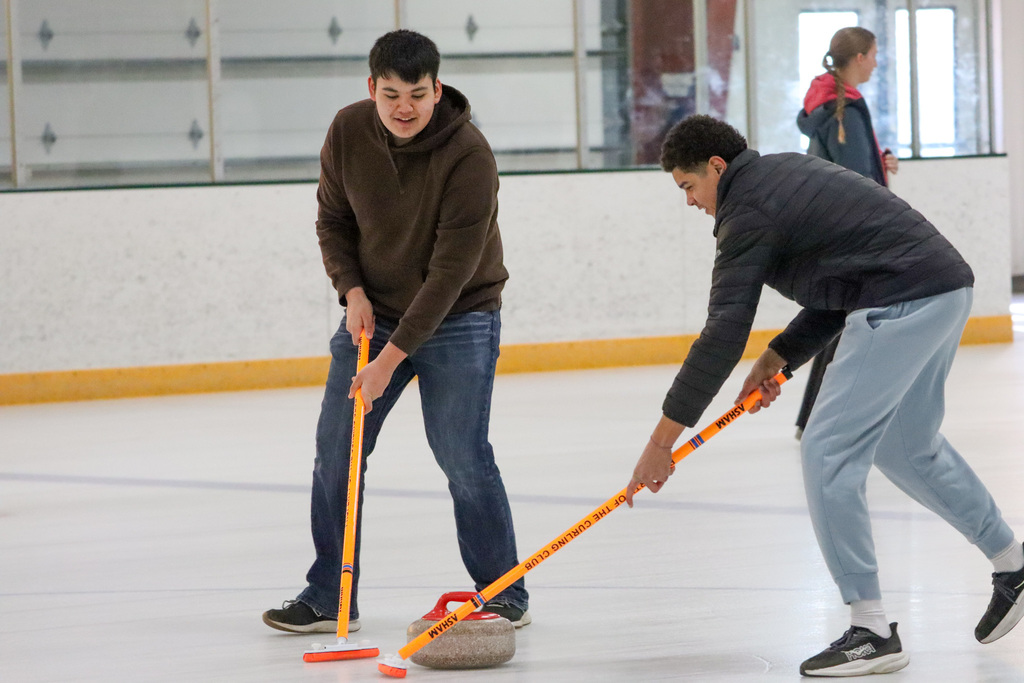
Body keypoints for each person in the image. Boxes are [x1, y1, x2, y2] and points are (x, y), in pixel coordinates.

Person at [625, 114, 1024, 677]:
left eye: (688, 186)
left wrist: (661, 441)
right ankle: (1013, 563)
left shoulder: (748, 209)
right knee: (905, 445)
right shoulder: (780, 177)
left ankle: (871, 630)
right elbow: (844, 282)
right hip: (941, 289)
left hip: (903, 301)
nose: (689, 202)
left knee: (826, 449)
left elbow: (722, 332)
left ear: (716, 168)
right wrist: (778, 356)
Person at [262, 29, 530, 635]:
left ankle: (503, 592)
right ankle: (329, 591)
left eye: (416, 92)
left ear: (437, 89)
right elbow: (332, 220)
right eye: (390, 94)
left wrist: (388, 359)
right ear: (371, 90)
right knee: (338, 450)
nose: (403, 107)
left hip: (459, 316)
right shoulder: (347, 131)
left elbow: (450, 273)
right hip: (373, 314)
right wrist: (351, 292)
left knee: (461, 455)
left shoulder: (469, 155)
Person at [793, 26, 900, 439]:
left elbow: (845, 162)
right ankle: (826, 418)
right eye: (874, 54)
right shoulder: (846, 109)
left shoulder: (828, 102)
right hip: (850, 235)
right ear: (858, 58)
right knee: (852, 324)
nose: (876, 61)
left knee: (841, 322)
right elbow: (856, 182)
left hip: (830, 229)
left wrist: (878, 158)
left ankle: (814, 418)